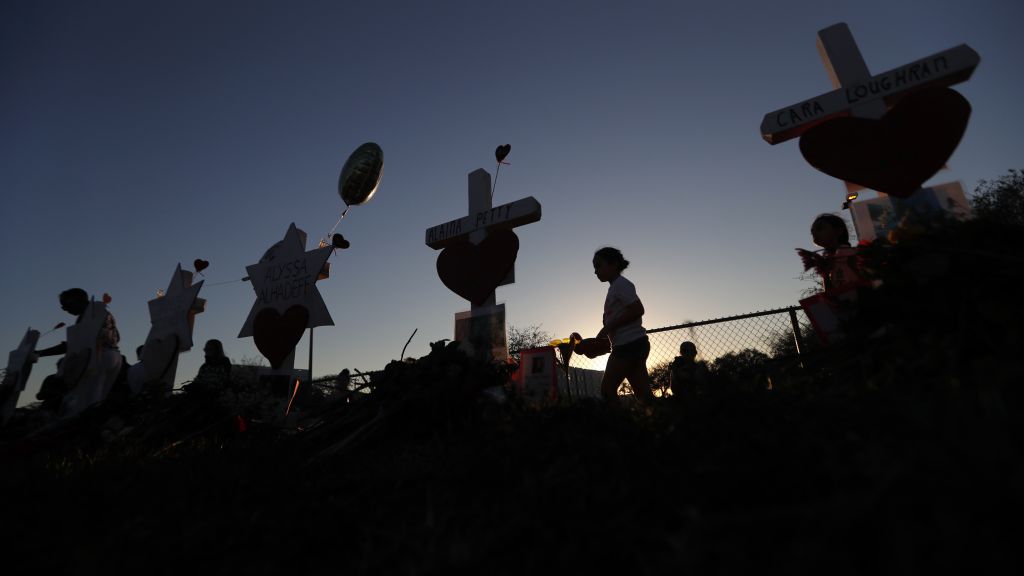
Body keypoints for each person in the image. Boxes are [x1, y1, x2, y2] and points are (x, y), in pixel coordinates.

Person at [34, 288, 122, 417]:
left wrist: (41, 353)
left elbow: (73, 346)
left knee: (86, 403)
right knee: (97, 398)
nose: (64, 309)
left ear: (76, 300)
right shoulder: (99, 312)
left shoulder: (92, 313)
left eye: (65, 305)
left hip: (98, 357)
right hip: (112, 355)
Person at [592, 247, 654, 405]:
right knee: (644, 395)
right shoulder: (616, 287)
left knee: (607, 390)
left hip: (628, 345)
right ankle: (660, 422)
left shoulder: (620, 285)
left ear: (613, 264)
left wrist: (608, 327)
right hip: (635, 343)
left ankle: (622, 426)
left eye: (598, 265)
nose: (595, 271)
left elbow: (638, 309)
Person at [797, 214, 863, 293]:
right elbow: (829, 293)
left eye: (819, 228)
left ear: (839, 230)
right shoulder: (828, 260)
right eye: (812, 232)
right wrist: (825, 275)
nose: (814, 233)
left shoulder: (851, 254)